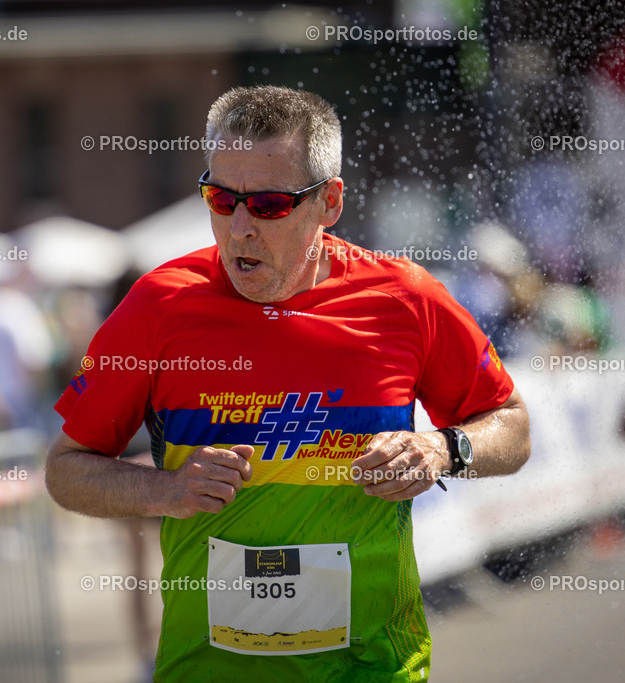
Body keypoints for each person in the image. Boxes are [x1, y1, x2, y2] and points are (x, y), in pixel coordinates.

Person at [45, 86, 531, 682]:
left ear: (329, 202)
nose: (239, 228)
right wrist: (164, 491)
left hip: (372, 669)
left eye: (269, 205)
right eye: (221, 199)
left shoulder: (404, 299)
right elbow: (66, 470)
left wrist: (441, 448)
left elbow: (512, 426)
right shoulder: (160, 305)